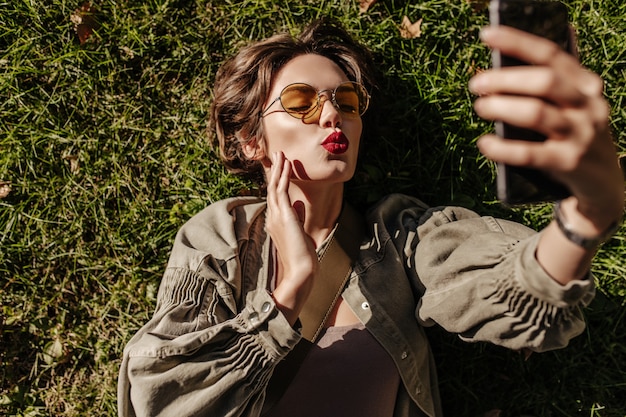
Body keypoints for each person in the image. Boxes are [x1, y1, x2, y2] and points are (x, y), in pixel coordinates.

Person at [117, 18, 624, 417]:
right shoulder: (220, 237)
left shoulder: (398, 239)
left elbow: (517, 293)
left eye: (346, 100)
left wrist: (583, 219)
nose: (332, 114)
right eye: (300, 103)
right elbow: (160, 400)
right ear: (253, 142)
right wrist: (288, 293)